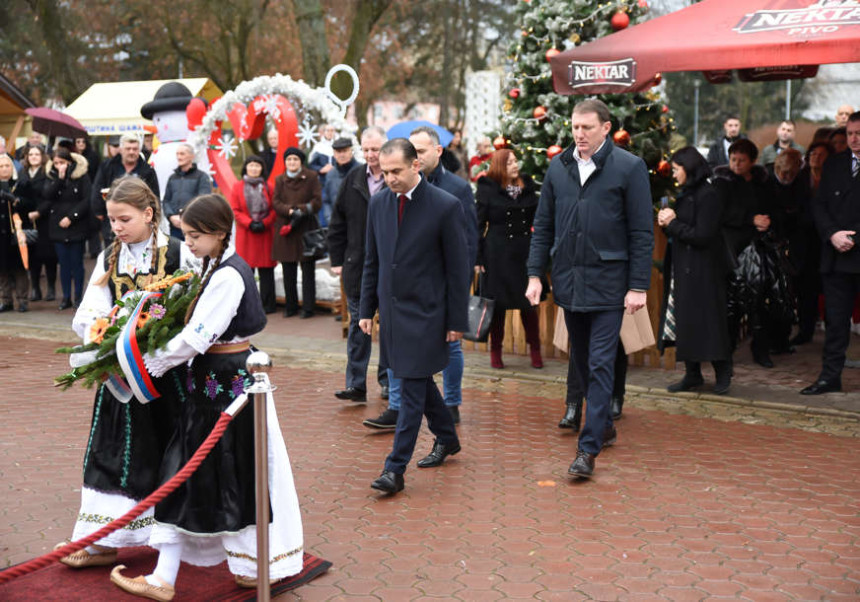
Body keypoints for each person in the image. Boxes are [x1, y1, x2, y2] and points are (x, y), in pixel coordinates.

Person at [112, 193, 304, 598]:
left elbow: (198, 336)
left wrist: (150, 361)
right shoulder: (215, 265)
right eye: (187, 234)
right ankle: (247, 564)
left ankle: (170, 576)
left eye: (196, 236)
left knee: (192, 471)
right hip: (218, 383)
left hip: (224, 384)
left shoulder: (228, 275)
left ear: (219, 234)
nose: (191, 244)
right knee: (225, 475)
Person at [55, 177, 189, 571]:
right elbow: (93, 307)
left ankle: (175, 537)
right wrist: (102, 332)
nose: (116, 227)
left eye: (124, 219)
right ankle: (103, 538)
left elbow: (188, 308)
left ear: (149, 215)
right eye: (112, 219)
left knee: (168, 452)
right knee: (112, 453)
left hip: (165, 376)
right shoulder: (109, 257)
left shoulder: (178, 255)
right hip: (120, 378)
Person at [526, 99, 653, 479]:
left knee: (599, 363)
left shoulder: (629, 167)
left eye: (586, 128)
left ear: (606, 128)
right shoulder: (558, 166)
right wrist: (535, 275)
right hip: (569, 281)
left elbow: (641, 233)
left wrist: (637, 286)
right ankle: (605, 426)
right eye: (574, 127)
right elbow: (543, 225)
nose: (578, 134)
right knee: (580, 363)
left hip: (610, 285)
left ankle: (587, 449)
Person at [359, 139, 470, 495]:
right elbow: (372, 262)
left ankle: (394, 469)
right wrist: (366, 309)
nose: (388, 178)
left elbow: (458, 269)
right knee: (418, 382)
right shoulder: (378, 204)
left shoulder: (445, 206)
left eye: (396, 171)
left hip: (428, 314)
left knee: (408, 389)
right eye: (385, 172)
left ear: (415, 166)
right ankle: (448, 438)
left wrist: (456, 321)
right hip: (392, 314)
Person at [657, 147, 732, 395]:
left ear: (689, 169)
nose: (674, 174)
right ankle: (692, 374)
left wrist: (673, 223)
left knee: (710, 323)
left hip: (704, 271)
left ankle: (723, 373)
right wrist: (668, 224)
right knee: (687, 321)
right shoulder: (687, 193)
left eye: (677, 169)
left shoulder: (708, 194)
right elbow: (684, 228)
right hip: (685, 267)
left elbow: (703, 235)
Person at [328, 127, 390, 405]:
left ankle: (388, 382)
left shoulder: (395, 177)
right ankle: (355, 384)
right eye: (365, 150)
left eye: (375, 149)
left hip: (389, 267)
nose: (370, 155)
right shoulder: (353, 179)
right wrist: (338, 260)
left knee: (388, 327)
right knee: (358, 327)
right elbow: (337, 223)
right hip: (357, 266)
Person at [717, 138, 790, 368]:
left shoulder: (763, 183)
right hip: (732, 248)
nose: (736, 164)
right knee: (732, 302)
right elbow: (721, 213)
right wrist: (750, 219)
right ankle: (726, 350)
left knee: (760, 301)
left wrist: (768, 220)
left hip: (759, 248)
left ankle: (761, 349)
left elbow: (776, 209)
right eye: (733, 159)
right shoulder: (722, 182)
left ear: (752, 161)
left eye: (742, 160)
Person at [801, 111, 860, 395]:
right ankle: (829, 377)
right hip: (836, 257)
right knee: (835, 323)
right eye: (850, 133)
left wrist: (854, 237)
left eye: (859, 133)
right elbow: (819, 205)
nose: (854, 139)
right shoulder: (834, 164)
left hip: (856, 248)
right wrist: (832, 234)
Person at [475, 149, 543, 370]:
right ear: (499, 166)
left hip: (524, 250)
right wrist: (477, 256)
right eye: (510, 163)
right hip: (497, 252)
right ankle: (496, 351)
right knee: (498, 305)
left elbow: (538, 219)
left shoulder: (526, 185)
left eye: (516, 161)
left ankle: (535, 350)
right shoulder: (488, 188)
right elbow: (477, 224)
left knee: (528, 303)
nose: (515, 165)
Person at [271, 147, 322, 318]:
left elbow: (317, 201)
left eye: (295, 159)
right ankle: (290, 306)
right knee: (288, 270)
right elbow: (276, 202)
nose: (292, 163)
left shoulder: (311, 177)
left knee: (308, 270)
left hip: (306, 228)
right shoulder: (279, 180)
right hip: (286, 229)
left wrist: (301, 209)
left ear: (301, 162)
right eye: (289, 159)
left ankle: (308, 307)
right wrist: (290, 211)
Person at [790, 142, 831, 346]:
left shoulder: (833, 179)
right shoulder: (800, 178)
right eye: (813, 153)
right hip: (804, 241)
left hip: (828, 242)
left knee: (829, 288)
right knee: (805, 289)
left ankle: (832, 333)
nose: (816, 157)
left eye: (821, 154)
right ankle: (805, 331)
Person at [44, 147, 92, 310]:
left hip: (76, 225)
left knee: (76, 264)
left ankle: (79, 296)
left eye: (62, 163)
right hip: (58, 226)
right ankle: (66, 297)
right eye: (56, 163)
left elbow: (86, 200)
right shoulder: (52, 176)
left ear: (69, 162)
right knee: (64, 265)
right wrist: (60, 178)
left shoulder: (81, 176)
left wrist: (72, 217)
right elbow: (48, 195)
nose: (59, 166)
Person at [91, 133, 159, 246]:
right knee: (112, 256)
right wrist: (98, 210)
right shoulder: (107, 166)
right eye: (128, 149)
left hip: (138, 223)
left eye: (135, 149)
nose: (131, 152)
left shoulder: (147, 171)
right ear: (121, 149)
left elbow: (154, 196)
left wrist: (152, 219)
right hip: (111, 221)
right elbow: (97, 188)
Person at [230, 155, 277, 314]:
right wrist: (249, 222)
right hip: (247, 234)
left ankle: (268, 304)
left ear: (262, 169)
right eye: (251, 165)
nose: (254, 169)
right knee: (247, 272)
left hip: (264, 233)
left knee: (266, 272)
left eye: (258, 166)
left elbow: (274, 209)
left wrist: (265, 222)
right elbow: (235, 210)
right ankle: (248, 305)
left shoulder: (269, 186)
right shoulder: (237, 187)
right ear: (246, 168)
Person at [17, 145, 57, 302]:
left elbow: (51, 197)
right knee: (32, 256)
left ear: (42, 156)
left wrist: (39, 212)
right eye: (31, 154)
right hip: (27, 220)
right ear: (27, 157)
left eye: (37, 154)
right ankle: (35, 288)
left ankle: (51, 288)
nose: (33, 157)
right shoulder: (22, 173)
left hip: (45, 219)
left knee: (49, 256)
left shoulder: (48, 173)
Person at [162, 143, 212, 239]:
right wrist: (171, 216)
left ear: (192, 156)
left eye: (182, 154)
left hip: (194, 227)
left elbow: (203, 201)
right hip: (175, 227)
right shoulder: (172, 178)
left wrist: (186, 217)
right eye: (177, 154)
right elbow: (166, 201)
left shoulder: (202, 177)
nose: (179, 157)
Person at [0, 154, 29, 312]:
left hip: (17, 232)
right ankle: (6, 300)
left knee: (19, 268)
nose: (4, 169)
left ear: (12, 168)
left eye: (7, 166)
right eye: (1, 166)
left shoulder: (21, 184)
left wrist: (16, 200)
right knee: (2, 269)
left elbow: (31, 204)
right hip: (1, 232)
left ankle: (22, 300)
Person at [320, 137, 358, 227]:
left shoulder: (361, 171)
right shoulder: (330, 174)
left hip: (358, 225)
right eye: (338, 152)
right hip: (337, 226)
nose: (342, 155)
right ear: (334, 154)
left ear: (351, 151)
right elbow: (326, 200)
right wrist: (330, 220)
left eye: (344, 151)